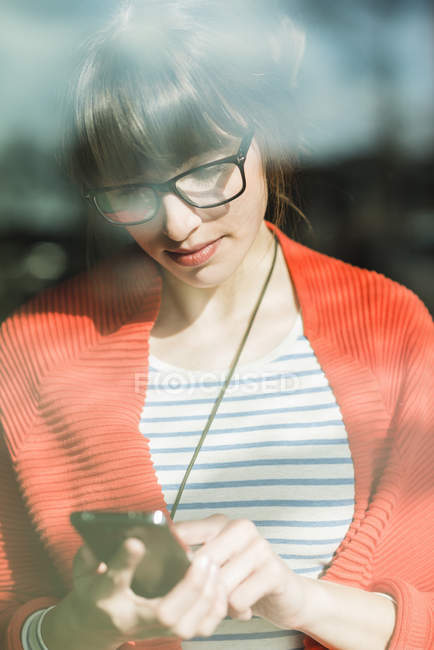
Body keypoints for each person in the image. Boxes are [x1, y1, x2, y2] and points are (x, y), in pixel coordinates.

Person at [0, 1, 433, 649]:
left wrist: (300, 599)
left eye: (205, 171)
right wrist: (80, 627)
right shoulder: (35, 351)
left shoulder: (388, 327)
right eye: (131, 190)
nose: (176, 225)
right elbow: (15, 621)